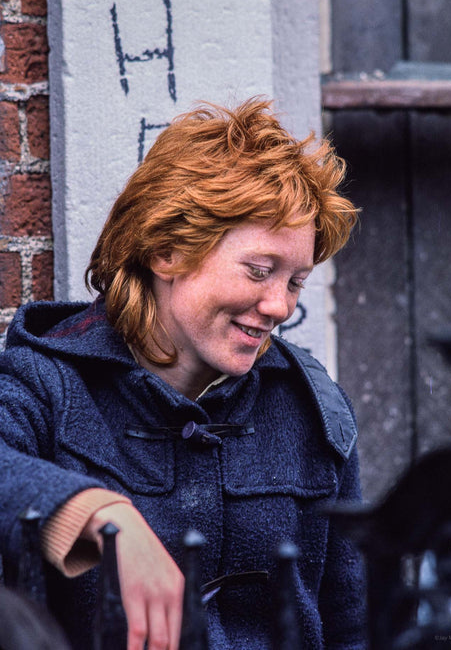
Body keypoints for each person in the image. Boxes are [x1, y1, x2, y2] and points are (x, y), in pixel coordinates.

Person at [0, 97, 366, 649]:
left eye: (295, 282)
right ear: (167, 249)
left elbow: (352, 627)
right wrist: (96, 511)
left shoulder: (315, 410)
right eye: (260, 271)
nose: (280, 307)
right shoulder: (46, 384)